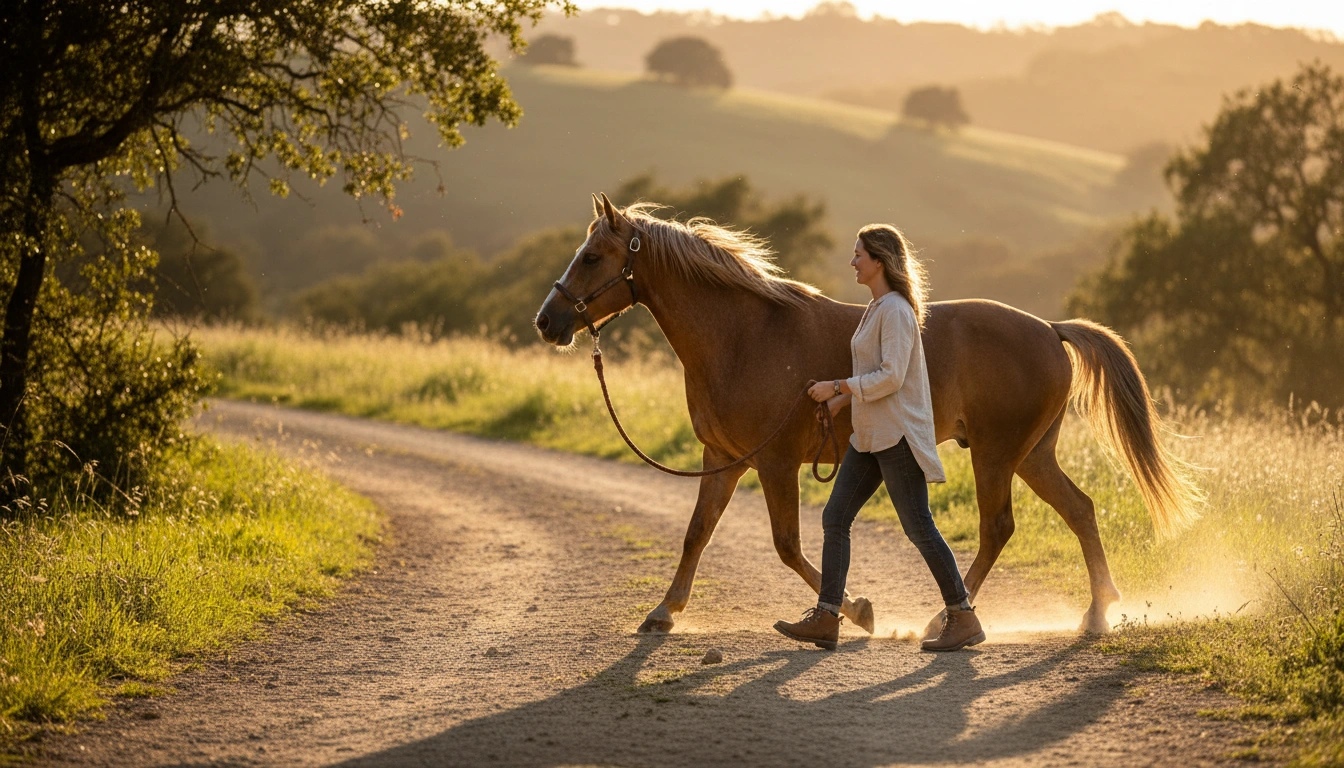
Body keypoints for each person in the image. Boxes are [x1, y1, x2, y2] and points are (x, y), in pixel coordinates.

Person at [773, 224, 984, 652]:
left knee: (919, 527)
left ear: (880, 262)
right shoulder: (876, 308)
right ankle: (828, 616)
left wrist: (839, 387)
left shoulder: (898, 312)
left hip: (898, 436)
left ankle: (963, 617)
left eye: (858, 255)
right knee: (835, 517)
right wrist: (838, 404)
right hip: (869, 436)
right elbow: (876, 373)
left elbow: (891, 376)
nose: (852, 262)